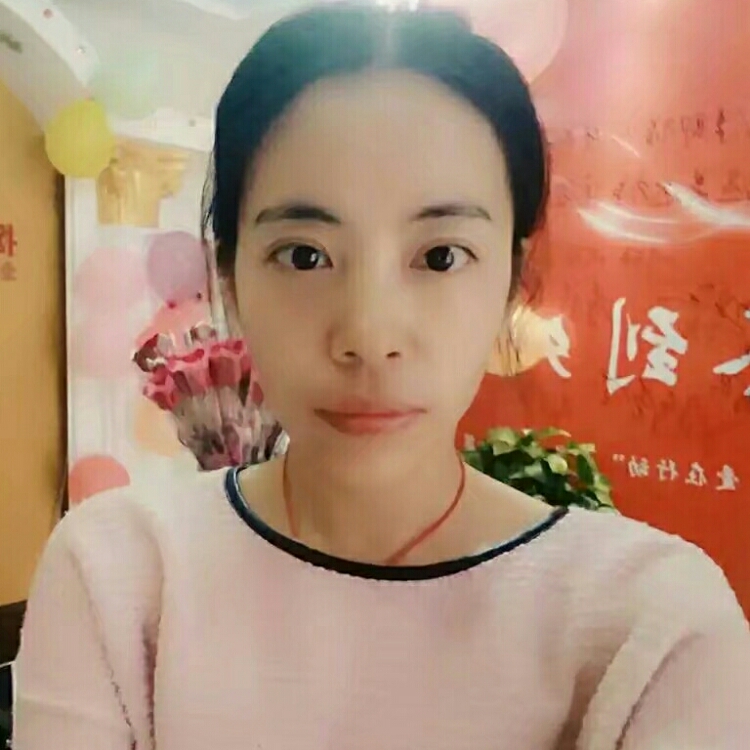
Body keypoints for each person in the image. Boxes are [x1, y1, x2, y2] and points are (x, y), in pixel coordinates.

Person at [13, 3, 750, 749]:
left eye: (440, 256)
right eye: (304, 255)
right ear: (229, 278)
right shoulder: (123, 573)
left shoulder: (650, 628)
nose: (369, 335)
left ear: (511, 281)